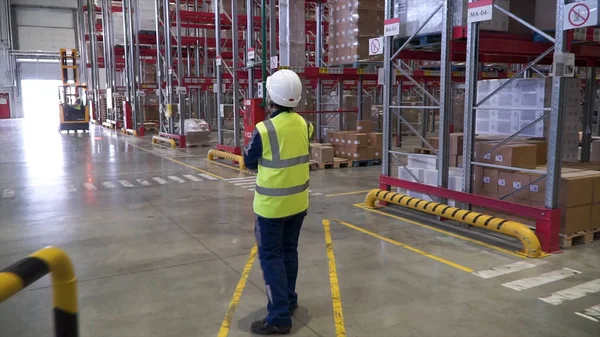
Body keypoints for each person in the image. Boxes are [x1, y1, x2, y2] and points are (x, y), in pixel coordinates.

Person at [243, 69, 313, 335]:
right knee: (289, 253)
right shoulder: (306, 125)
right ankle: (289, 301)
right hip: (298, 204)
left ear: (271, 96)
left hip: (271, 208)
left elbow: (249, 161)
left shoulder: (264, 129)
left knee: (271, 258)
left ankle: (279, 317)